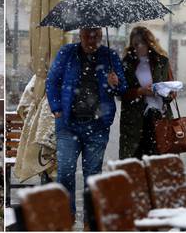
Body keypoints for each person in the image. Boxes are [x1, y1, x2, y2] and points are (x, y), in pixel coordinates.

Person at [46, 28, 127, 222]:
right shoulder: (67, 53)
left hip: (97, 126)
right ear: (80, 35)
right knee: (65, 172)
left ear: (101, 35)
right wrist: (56, 107)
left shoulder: (109, 56)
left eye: (96, 36)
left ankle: (91, 220)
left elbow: (123, 88)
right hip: (68, 124)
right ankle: (67, 216)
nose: (92, 40)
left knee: (93, 176)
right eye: (87, 35)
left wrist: (115, 82)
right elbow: (52, 81)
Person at [119, 26, 174, 159]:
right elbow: (121, 93)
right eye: (135, 44)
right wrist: (140, 91)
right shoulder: (126, 64)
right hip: (134, 121)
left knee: (160, 162)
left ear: (149, 43)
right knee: (135, 163)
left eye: (142, 43)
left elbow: (172, 90)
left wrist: (162, 91)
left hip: (159, 118)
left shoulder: (161, 61)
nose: (139, 47)